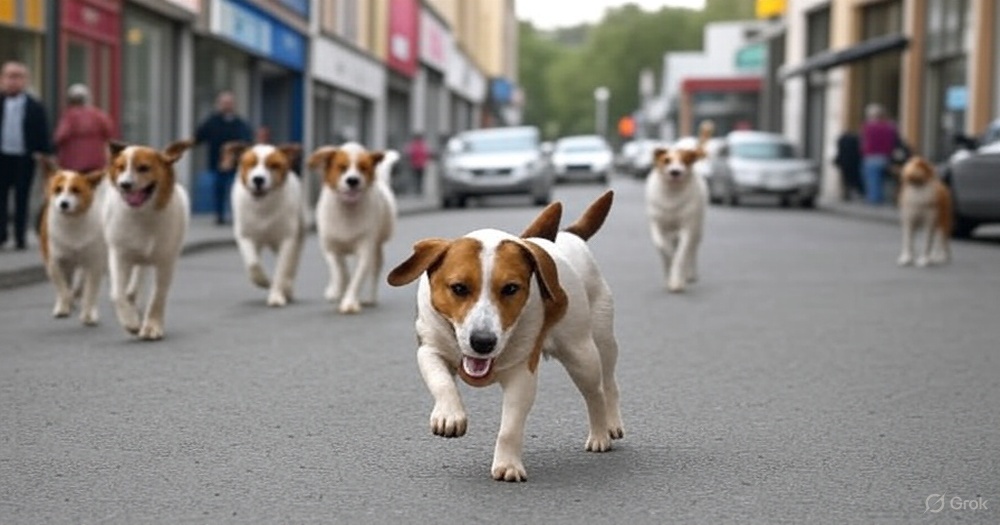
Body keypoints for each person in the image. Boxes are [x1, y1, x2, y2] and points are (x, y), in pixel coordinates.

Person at [0, 61, 52, 250]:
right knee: (1, 196)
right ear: (2, 79)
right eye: (9, 76)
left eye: (18, 77)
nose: (13, 81)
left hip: (24, 157)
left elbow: (42, 131)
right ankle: (2, 234)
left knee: (22, 197)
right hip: (2, 156)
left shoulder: (34, 106)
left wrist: (45, 153)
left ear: (25, 80)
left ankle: (20, 236)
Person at [195, 91, 252, 225]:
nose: (227, 106)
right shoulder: (212, 122)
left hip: (236, 164)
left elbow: (247, 140)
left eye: (229, 103)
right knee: (219, 189)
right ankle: (219, 215)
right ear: (219, 104)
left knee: (236, 189)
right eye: (224, 103)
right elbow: (199, 136)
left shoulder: (240, 123)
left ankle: (237, 215)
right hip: (217, 162)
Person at [54, 84, 114, 173]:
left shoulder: (69, 116)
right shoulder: (98, 114)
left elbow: (60, 136)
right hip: (96, 160)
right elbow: (109, 131)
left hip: (73, 161)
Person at [859, 103, 897, 205]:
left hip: (871, 157)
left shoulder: (868, 127)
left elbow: (864, 142)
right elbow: (892, 142)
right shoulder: (890, 127)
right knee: (882, 180)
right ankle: (881, 199)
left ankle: (874, 200)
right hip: (885, 157)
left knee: (872, 180)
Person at [833, 131, 863, 201]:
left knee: (845, 178)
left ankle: (846, 193)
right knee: (852, 179)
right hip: (853, 162)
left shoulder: (842, 141)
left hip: (844, 162)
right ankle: (849, 192)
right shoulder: (855, 141)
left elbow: (839, 152)